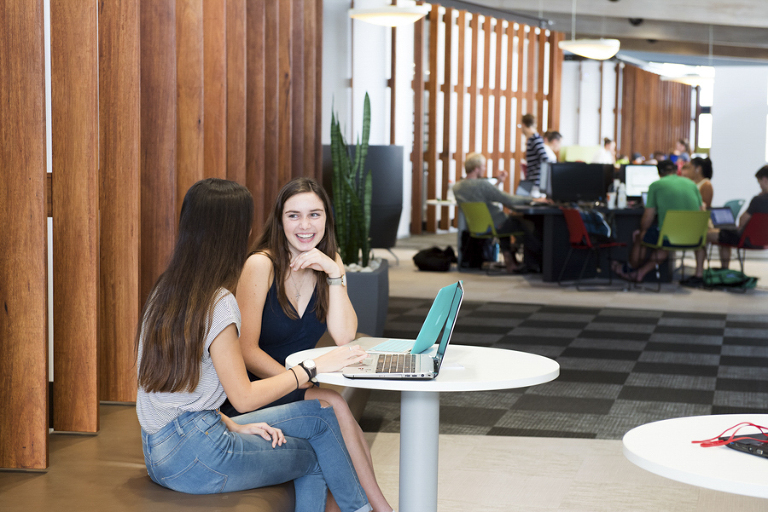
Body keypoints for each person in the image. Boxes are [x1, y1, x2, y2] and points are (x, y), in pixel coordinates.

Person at [136, 178, 372, 512]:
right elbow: (244, 397)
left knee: (323, 417)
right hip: (198, 454)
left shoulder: (165, 291)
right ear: (238, 231)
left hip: (158, 452)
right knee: (317, 452)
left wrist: (231, 425)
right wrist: (312, 369)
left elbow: (171, 399)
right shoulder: (220, 303)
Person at [221, 177, 393, 512]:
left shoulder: (329, 263)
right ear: (279, 220)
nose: (305, 225)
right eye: (293, 215)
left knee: (345, 422)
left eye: (314, 215)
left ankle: (375, 508)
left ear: (327, 218)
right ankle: (378, 508)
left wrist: (332, 271)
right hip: (253, 391)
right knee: (333, 405)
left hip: (298, 380)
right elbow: (246, 351)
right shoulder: (260, 265)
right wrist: (302, 379)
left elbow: (345, 335)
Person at [612, 160, 704, 283]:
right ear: (676, 170)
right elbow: (701, 211)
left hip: (669, 237)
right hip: (694, 238)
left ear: (659, 173)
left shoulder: (656, 185)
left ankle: (629, 268)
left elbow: (648, 218)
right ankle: (640, 273)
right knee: (663, 248)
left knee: (641, 236)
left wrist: (642, 231)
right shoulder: (692, 184)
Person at [453, 152, 545, 273]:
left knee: (507, 222)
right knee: (522, 224)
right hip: (496, 224)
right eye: (483, 166)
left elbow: (480, 195)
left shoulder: (458, 187)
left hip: (479, 226)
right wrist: (534, 199)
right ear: (476, 169)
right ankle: (537, 260)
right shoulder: (482, 184)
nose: (484, 169)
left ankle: (510, 261)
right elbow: (508, 199)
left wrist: (498, 182)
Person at [707, 164, 768, 268]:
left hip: (747, 239)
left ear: (765, 180)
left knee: (707, 234)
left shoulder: (758, 200)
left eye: (759, 183)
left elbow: (742, 220)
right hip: (764, 240)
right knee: (725, 233)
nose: (760, 186)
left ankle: (721, 270)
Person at [521, 113, 553, 188]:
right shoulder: (532, 139)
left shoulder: (535, 139)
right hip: (532, 180)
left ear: (523, 125)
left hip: (536, 181)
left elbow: (545, 158)